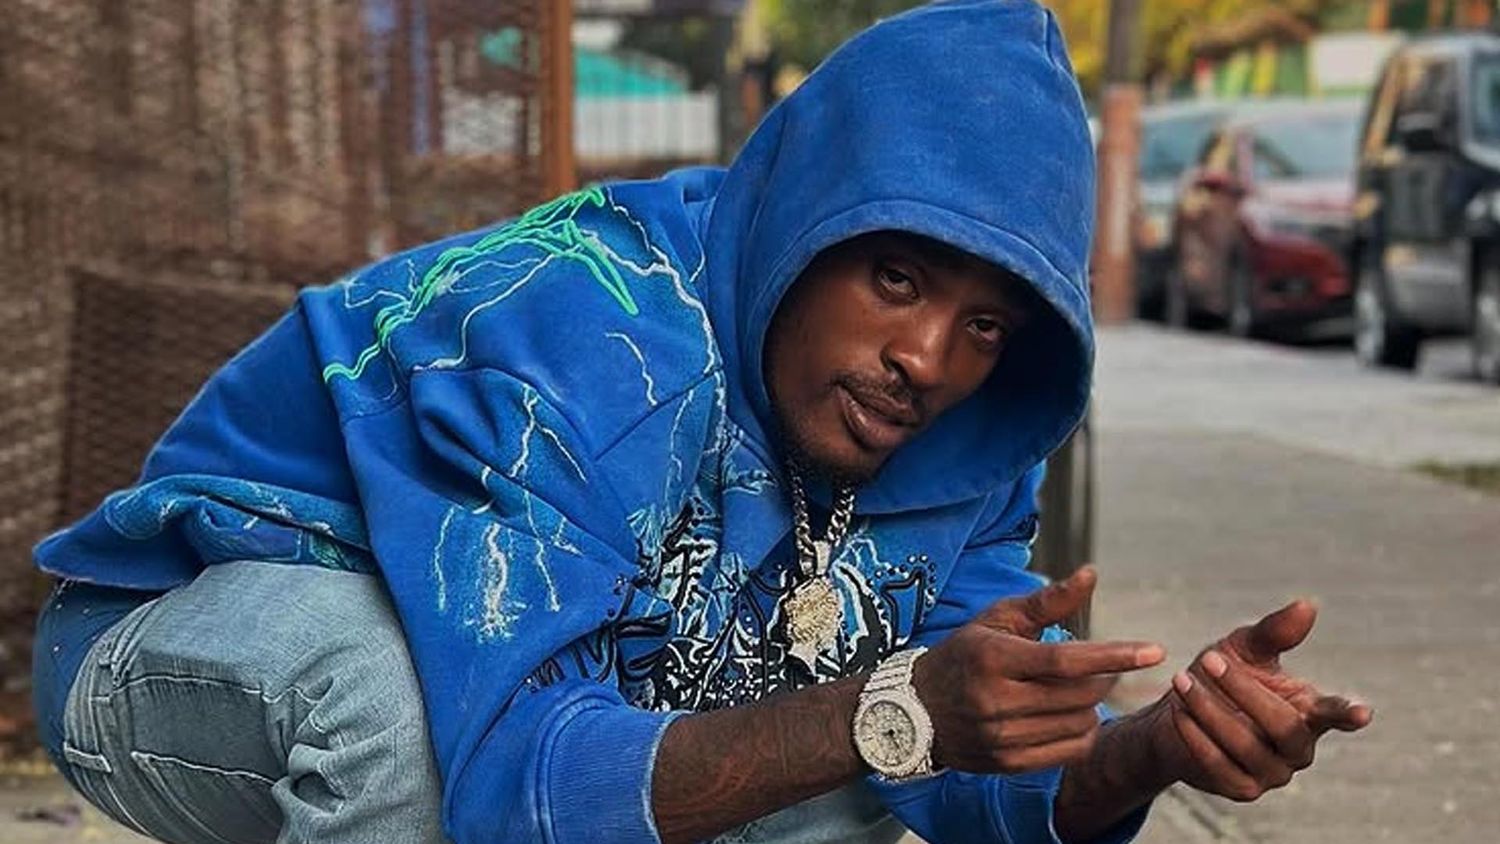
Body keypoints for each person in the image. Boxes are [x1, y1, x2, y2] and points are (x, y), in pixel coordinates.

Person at [29, 2, 1372, 843]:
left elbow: (959, 763)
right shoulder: (594, 343)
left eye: (985, 325)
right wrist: (880, 711)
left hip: (539, 682)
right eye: (895, 276)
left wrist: (1145, 749)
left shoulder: (953, 435)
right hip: (192, 645)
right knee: (406, 716)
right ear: (806, 224)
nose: (924, 359)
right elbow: (505, 780)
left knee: (839, 751)